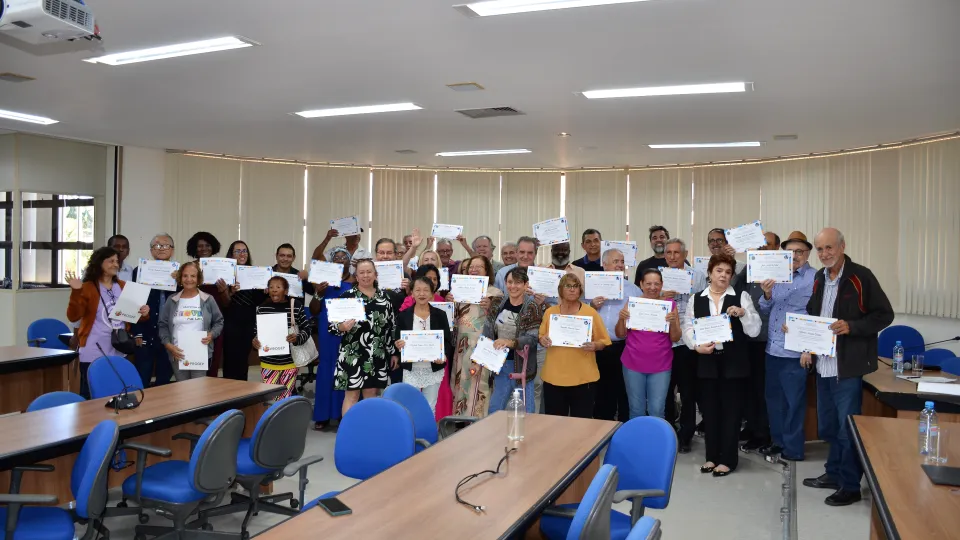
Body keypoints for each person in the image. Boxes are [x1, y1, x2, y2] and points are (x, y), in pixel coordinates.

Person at [800, 228, 893, 507]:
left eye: (829, 248)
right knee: (828, 426)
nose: (824, 254)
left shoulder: (860, 276)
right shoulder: (819, 277)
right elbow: (812, 313)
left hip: (847, 367)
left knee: (846, 428)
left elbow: (884, 315)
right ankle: (833, 472)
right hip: (823, 364)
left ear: (842, 246)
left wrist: (852, 326)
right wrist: (800, 334)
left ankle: (851, 486)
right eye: (820, 249)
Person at [682, 253, 761, 477]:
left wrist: (744, 313)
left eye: (728, 272)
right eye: (719, 271)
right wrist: (696, 346)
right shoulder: (696, 298)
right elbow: (688, 327)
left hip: (734, 362)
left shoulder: (741, 296)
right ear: (709, 273)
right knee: (710, 412)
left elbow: (754, 330)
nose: (723, 275)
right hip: (706, 361)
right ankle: (711, 457)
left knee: (732, 412)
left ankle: (728, 460)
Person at [755, 231, 816, 461]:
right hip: (773, 350)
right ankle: (778, 442)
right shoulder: (776, 275)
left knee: (794, 403)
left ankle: (793, 449)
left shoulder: (814, 278)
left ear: (807, 253)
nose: (795, 256)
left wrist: (807, 349)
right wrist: (767, 293)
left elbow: (818, 316)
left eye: (799, 251)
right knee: (774, 400)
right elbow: (765, 309)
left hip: (795, 354)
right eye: (790, 252)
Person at [66, 247, 149, 398]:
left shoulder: (123, 286)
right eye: (110, 261)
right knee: (91, 392)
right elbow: (73, 316)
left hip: (118, 347)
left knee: (117, 390)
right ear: (99, 263)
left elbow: (135, 317)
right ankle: (89, 422)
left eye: (117, 261)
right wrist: (76, 292)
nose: (115, 264)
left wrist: (144, 313)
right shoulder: (88, 288)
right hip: (93, 348)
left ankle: (114, 421)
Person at [538, 274, 611, 417]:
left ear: (580, 290)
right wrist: (543, 340)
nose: (572, 290)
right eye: (568, 286)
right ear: (560, 290)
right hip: (554, 378)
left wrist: (595, 346)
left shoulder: (590, 312)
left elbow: (604, 341)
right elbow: (541, 336)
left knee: (582, 425)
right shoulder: (550, 312)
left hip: (583, 378)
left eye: (575, 286)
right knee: (554, 425)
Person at [331, 259, 398, 415]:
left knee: (371, 396)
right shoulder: (346, 297)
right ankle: (348, 433)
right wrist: (341, 327)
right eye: (362, 272)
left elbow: (391, 328)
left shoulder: (385, 298)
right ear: (356, 276)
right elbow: (332, 327)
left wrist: (393, 352)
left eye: (369, 272)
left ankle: (368, 432)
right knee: (352, 396)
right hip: (352, 354)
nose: (366, 275)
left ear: (376, 275)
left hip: (377, 354)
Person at [660, 238, 707, 453]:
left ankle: (686, 434)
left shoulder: (697, 276)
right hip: (662, 343)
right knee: (665, 390)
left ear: (685, 254)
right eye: (668, 252)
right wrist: (661, 296)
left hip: (686, 342)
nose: (672, 256)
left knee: (688, 392)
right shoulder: (657, 276)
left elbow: (704, 303)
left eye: (676, 253)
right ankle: (668, 431)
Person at [616, 268, 681, 419]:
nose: (653, 287)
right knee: (636, 409)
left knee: (657, 410)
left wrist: (673, 323)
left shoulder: (670, 305)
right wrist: (621, 319)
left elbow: (676, 338)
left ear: (662, 285)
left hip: (661, 365)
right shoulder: (632, 303)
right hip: (633, 364)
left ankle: (656, 442)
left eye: (657, 284)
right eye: (649, 283)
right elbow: (620, 334)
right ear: (641, 284)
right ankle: (638, 442)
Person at [738, 230, 780, 451]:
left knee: (764, 390)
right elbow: (735, 289)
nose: (763, 250)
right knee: (750, 388)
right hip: (749, 338)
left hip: (770, 340)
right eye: (759, 246)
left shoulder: (782, 271)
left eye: (767, 246)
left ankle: (763, 434)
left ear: (776, 248)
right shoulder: (751, 268)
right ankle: (753, 427)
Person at [448, 255, 504, 418]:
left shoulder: (495, 293)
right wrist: (449, 302)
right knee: (460, 383)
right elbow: (451, 318)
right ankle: (459, 421)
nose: (474, 269)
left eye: (479, 267)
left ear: (487, 271)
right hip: (461, 346)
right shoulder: (457, 290)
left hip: (483, 346)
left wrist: (491, 307)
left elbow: (502, 323)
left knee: (480, 385)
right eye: (472, 266)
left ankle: (480, 421)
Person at [484, 268, 543, 414]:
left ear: (525, 285)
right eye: (510, 282)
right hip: (499, 363)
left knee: (526, 411)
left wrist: (511, 342)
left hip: (522, 366)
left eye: (518, 283)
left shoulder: (532, 307)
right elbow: (488, 329)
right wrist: (481, 355)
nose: (513, 286)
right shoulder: (497, 302)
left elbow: (533, 338)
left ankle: (528, 437)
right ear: (505, 283)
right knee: (495, 408)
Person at [588, 248, 638, 421]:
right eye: (616, 261)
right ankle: (601, 430)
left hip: (623, 346)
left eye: (622, 262)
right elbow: (580, 314)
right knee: (601, 393)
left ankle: (624, 428)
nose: (620, 265)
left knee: (624, 390)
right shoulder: (590, 287)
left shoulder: (633, 290)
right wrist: (592, 306)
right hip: (598, 347)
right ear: (604, 264)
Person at [394, 277, 455, 413]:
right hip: (411, 368)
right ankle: (411, 434)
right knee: (410, 406)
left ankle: (428, 434)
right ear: (412, 293)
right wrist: (399, 344)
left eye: (426, 290)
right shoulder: (404, 315)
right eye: (418, 290)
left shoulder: (440, 315)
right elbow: (397, 338)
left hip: (433, 368)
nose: (422, 294)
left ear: (432, 293)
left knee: (430, 407)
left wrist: (443, 354)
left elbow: (447, 341)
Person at [158, 261, 224, 381]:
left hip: (200, 353)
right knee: (182, 392)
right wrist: (168, 345)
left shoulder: (208, 299)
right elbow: (162, 325)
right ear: (180, 278)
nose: (189, 279)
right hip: (177, 353)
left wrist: (211, 335)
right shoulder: (171, 300)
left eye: (193, 276)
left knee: (198, 392)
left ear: (198, 279)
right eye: (185, 276)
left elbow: (219, 321)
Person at [310, 247, 353, 431]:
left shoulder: (355, 282)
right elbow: (313, 310)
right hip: (327, 332)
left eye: (344, 257)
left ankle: (341, 413)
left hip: (348, 330)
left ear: (349, 262)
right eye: (337, 257)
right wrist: (318, 293)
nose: (340, 259)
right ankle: (322, 415)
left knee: (345, 369)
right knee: (327, 369)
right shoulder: (322, 283)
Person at [252, 276, 311, 400]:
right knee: (270, 398)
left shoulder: (295, 306)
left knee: (284, 398)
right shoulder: (262, 308)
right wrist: (255, 341)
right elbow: (256, 331)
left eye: (278, 287)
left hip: (289, 362)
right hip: (268, 362)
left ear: (285, 291)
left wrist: (297, 338)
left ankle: (284, 419)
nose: (274, 290)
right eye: (271, 287)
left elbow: (307, 329)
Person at [131, 233, 178, 387]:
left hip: (170, 334)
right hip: (146, 331)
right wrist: (136, 331)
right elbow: (134, 301)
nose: (161, 248)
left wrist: (180, 282)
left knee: (164, 380)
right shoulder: (140, 270)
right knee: (141, 378)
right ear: (151, 250)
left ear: (172, 250)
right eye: (157, 246)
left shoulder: (181, 273)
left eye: (165, 245)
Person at [186, 231, 229, 377]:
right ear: (194, 248)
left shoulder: (222, 268)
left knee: (213, 361)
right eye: (200, 246)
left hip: (215, 321)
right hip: (192, 320)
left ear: (213, 247)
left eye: (207, 245)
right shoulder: (188, 269)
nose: (204, 248)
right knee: (192, 362)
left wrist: (224, 291)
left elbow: (227, 303)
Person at [219, 241, 262, 381]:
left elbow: (258, 301)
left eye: (244, 251)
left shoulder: (254, 272)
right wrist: (229, 292)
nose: (242, 254)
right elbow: (224, 304)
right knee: (230, 359)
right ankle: (229, 396)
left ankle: (242, 396)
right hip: (231, 321)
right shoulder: (225, 273)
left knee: (243, 360)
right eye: (238, 251)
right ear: (231, 254)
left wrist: (264, 289)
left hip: (248, 322)